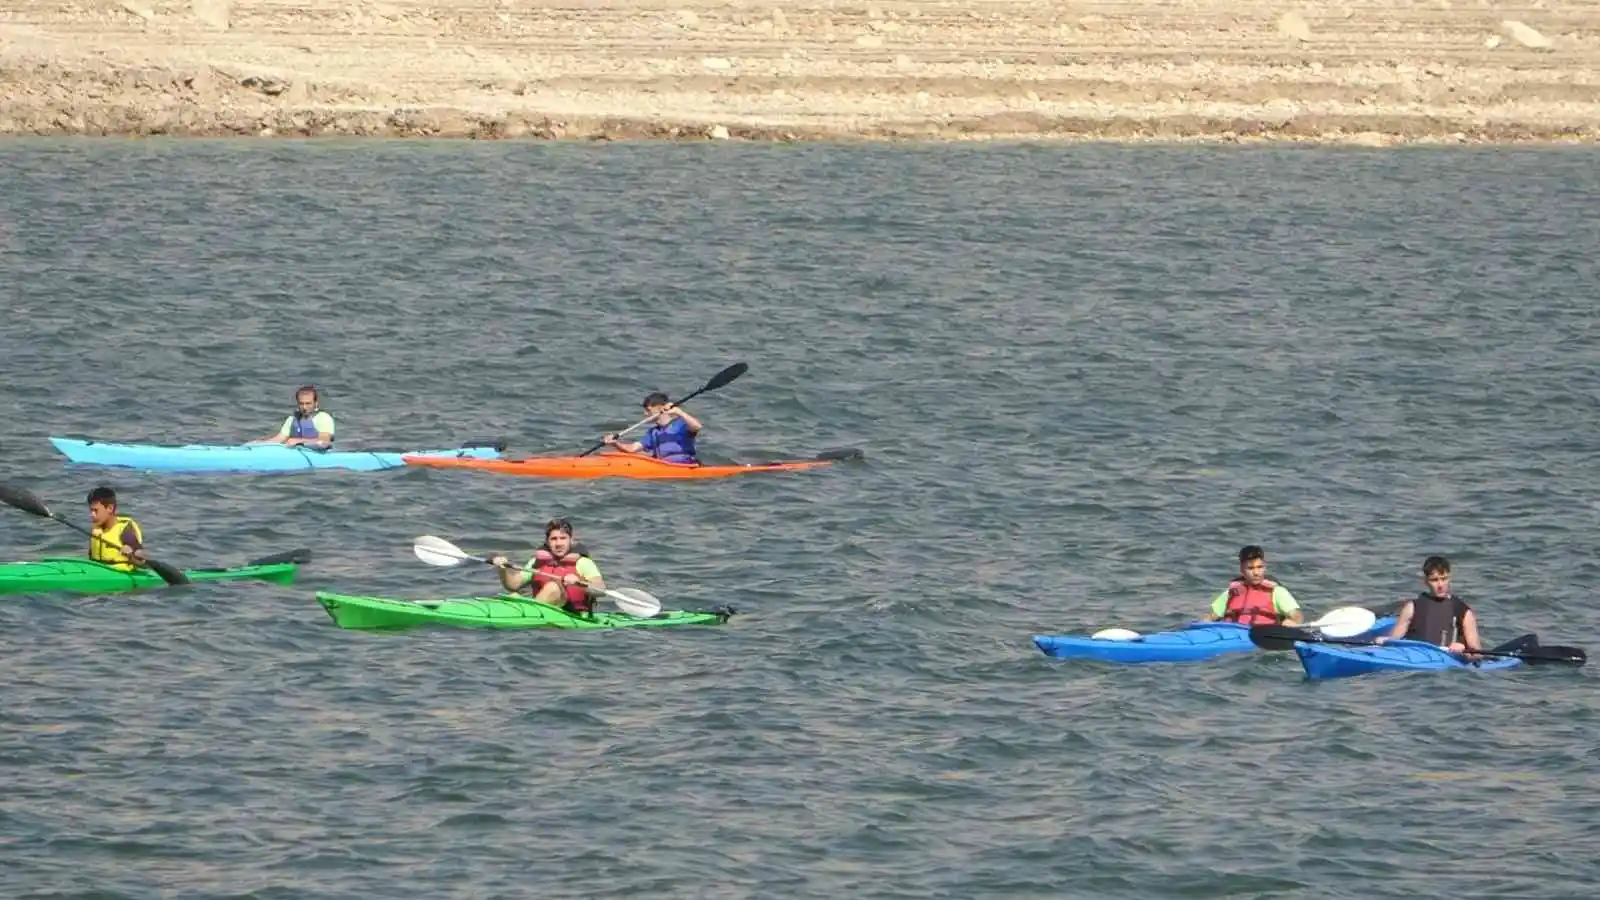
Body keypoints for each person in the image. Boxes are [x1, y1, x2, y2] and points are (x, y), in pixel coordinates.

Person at [489, 518, 606, 614]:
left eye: (563, 538)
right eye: (554, 539)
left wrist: (580, 583)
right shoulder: (538, 561)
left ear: (571, 540)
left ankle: (528, 613)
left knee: (552, 587)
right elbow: (513, 585)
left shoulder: (583, 562)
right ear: (547, 541)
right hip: (543, 609)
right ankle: (525, 611)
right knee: (514, 595)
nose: (559, 543)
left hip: (573, 614)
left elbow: (601, 589)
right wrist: (503, 569)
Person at [1377, 555, 1483, 654]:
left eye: (1444, 579)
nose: (1440, 585)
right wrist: (1385, 641)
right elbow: (1393, 641)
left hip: (1448, 662)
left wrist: (1463, 648)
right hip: (1414, 658)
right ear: (1426, 581)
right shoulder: (1412, 607)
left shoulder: (1463, 611)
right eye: (1434, 580)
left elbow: (1478, 654)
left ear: (1449, 578)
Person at [1205, 544, 1303, 625]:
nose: (1256, 573)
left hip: (1261, 637)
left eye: (1260, 567)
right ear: (1242, 569)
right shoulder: (1232, 592)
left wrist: (1291, 621)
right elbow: (1212, 617)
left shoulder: (1276, 592)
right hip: (1231, 635)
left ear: (1265, 567)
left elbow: (1297, 615)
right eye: (1250, 568)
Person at [602, 391, 702, 464]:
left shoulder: (681, 424)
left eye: (648, 410)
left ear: (661, 408)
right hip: (663, 466)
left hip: (684, 465)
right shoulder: (653, 432)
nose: (645, 414)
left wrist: (679, 412)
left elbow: (697, 426)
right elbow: (632, 448)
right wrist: (615, 444)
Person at [87, 485, 148, 572]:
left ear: (110, 508)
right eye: (91, 511)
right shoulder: (96, 531)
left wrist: (131, 555)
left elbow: (142, 563)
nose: (92, 515)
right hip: (97, 573)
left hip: (120, 577)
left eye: (96, 511)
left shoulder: (124, 531)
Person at [255, 385, 334, 447]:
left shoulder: (323, 418)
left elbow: (324, 441)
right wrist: (259, 444)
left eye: (308, 403)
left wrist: (299, 441)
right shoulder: (292, 419)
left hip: (318, 453)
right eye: (301, 403)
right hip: (297, 451)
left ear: (316, 403)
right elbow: (279, 438)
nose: (304, 407)